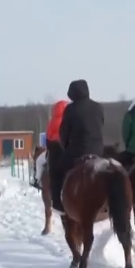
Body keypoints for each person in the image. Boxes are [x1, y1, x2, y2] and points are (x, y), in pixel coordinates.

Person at [52, 79, 104, 214]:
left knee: (56, 170)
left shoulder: (70, 109)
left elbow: (64, 133)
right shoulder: (99, 107)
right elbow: (100, 126)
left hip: (77, 151)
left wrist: (65, 147)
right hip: (98, 151)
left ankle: (58, 203)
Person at [33, 100, 68, 190]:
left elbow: (48, 136)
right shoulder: (69, 120)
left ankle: (37, 179)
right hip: (68, 149)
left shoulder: (52, 122)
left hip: (55, 149)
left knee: (39, 161)